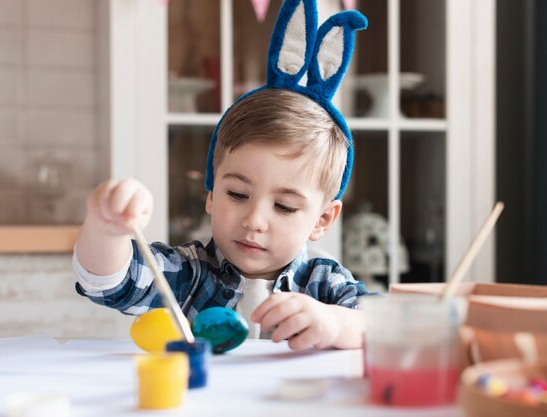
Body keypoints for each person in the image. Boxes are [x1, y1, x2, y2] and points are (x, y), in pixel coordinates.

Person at [73, 0, 374, 351]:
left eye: (285, 206)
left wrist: (335, 323)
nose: (255, 220)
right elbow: (109, 282)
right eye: (238, 194)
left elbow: (384, 324)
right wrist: (105, 228)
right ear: (212, 194)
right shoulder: (189, 273)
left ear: (322, 219)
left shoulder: (325, 283)